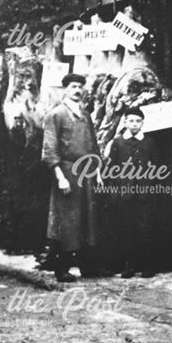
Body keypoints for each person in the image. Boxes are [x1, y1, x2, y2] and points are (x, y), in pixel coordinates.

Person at [42, 73, 102, 282]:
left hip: (87, 173)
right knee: (67, 220)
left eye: (80, 87)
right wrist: (60, 177)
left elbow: (93, 145)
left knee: (87, 219)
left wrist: (97, 172)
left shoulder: (85, 114)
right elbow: (50, 149)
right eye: (73, 87)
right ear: (65, 90)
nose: (77, 90)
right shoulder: (55, 115)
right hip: (67, 172)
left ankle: (87, 267)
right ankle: (61, 268)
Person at [107, 107, 158, 278]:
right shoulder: (118, 142)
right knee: (127, 229)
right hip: (125, 194)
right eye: (131, 121)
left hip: (145, 195)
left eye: (138, 121)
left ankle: (147, 265)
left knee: (145, 229)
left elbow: (157, 169)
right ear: (125, 122)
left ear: (143, 123)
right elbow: (112, 170)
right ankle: (129, 266)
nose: (134, 124)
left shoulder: (149, 143)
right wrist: (116, 192)